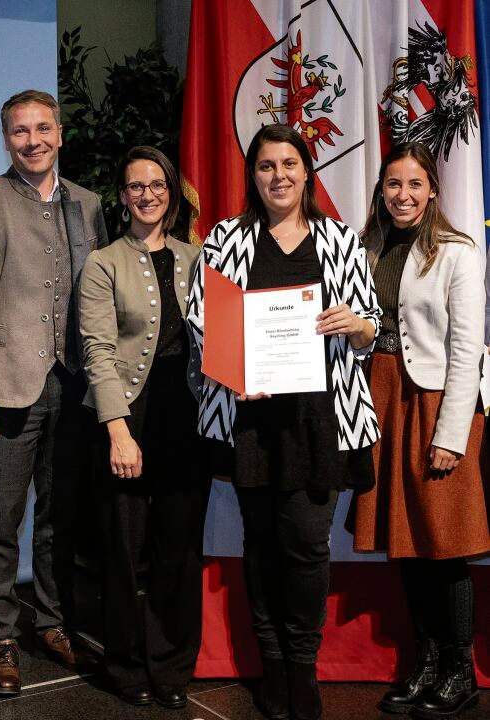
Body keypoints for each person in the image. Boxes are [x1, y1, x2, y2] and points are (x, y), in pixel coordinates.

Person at [187, 123, 381, 720]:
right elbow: (200, 319)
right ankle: (273, 668)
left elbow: (373, 325)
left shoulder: (341, 239)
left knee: (306, 548)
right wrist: (231, 362)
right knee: (263, 547)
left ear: (307, 172)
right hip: (251, 420)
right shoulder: (226, 239)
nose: (279, 176)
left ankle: (303, 667)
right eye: (267, 165)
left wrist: (356, 324)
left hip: (320, 421)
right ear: (254, 175)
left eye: (290, 164)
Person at [0, 90, 108, 696]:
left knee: (60, 517)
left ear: (61, 133)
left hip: (74, 386)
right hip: (5, 386)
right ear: (5, 137)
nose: (33, 140)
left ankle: (52, 620)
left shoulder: (89, 206)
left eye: (43, 128)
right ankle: (0, 637)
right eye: (20, 131)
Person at [351, 142, 490, 719]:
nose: (402, 195)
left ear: (433, 189)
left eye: (414, 184)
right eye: (392, 185)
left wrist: (451, 434)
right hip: (383, 398)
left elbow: (467, 350)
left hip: (436, 403)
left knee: (444, 541)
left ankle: (462, 671)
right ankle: (426, 662)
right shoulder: (367, 247)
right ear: (381, 191)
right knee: (407, 542)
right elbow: (358, 327)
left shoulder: (459, 252)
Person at [79, 146, 208, 711]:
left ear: (172, 193)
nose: (147, 194)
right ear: (122, 195)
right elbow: (98, 351)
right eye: (136, 186)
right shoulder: (103, 262)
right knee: (124, 551)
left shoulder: (199, 255)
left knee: (178, 549)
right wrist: (118, 430)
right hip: (127, 420)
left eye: (157, 184)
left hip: (187, 421)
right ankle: (125, 663)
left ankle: (172, 666)